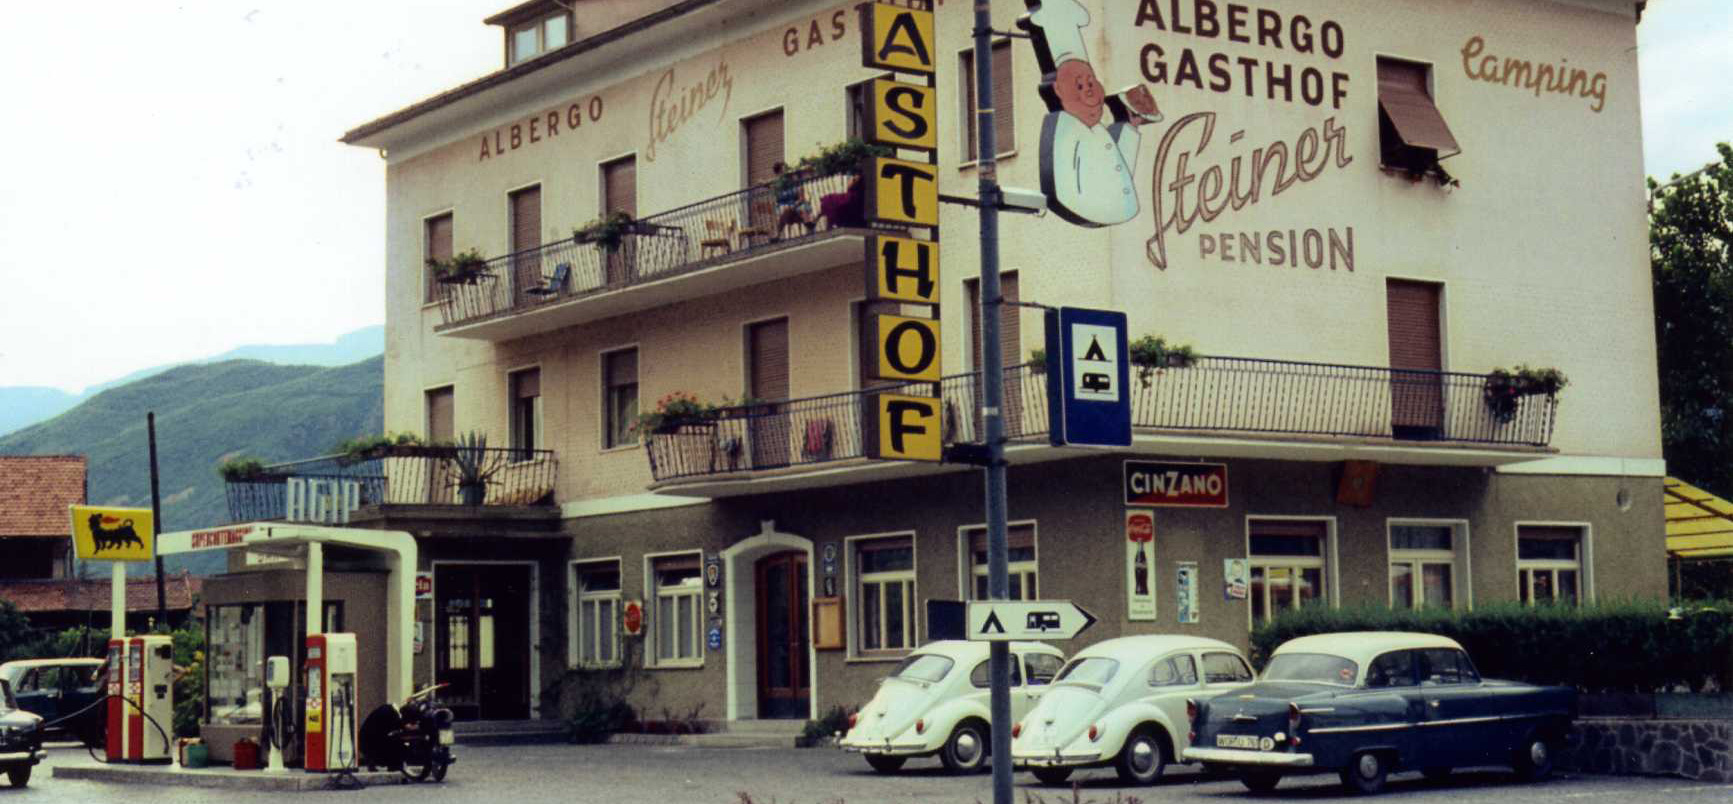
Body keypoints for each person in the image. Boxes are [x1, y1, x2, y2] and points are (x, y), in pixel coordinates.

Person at [1025, 0, 1162, 227]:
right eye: (1079, 85)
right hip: (1084, 206)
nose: (1088, 89)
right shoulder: (1065, 129)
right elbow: (1063, 181)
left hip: (1116, 208)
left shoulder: (1097, 131)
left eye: (1091, 82)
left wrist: (1129, 125)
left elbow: (1118, 167)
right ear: (1058, 91)